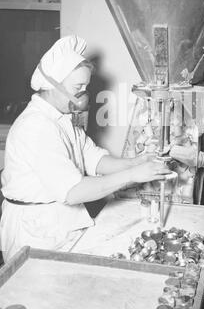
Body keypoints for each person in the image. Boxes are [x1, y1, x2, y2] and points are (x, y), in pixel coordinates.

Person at [0, 35, 171, 262]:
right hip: (36, 231)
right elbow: (73, 191)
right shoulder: (37, 127)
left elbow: (94, 159)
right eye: (77, 87)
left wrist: (138, 161)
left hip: (58, 223)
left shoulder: (61, 117)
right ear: (52, 84)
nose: (83, 95)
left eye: (85, 87)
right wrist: (132, 175)